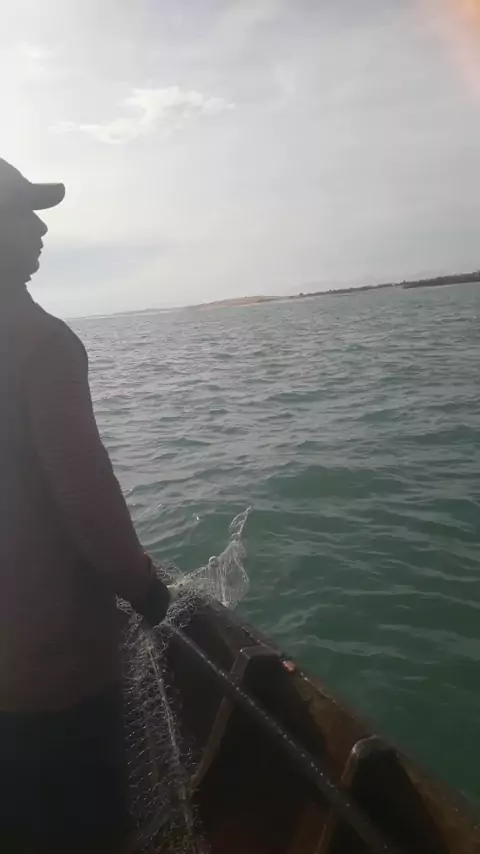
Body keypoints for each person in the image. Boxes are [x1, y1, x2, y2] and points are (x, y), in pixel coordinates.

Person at [0, 158, 170, 853]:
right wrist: (146, 588)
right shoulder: (39, 342)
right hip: (47, 676)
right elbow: (86, 497)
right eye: (23, 213)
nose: (41, 229)